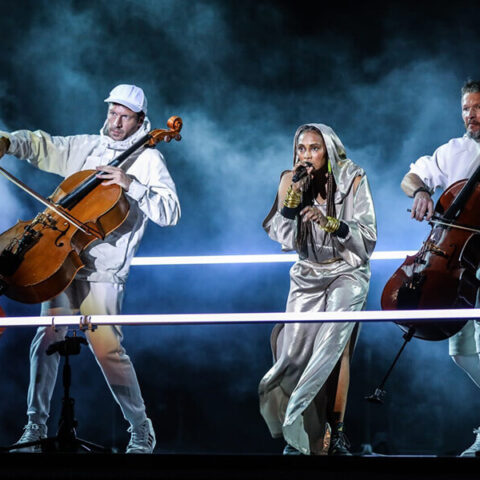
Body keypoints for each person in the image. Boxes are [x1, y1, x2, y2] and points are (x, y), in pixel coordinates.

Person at [0, 84, 180, 453]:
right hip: (60, 260)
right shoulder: (89, 147)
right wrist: (8, 142)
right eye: (112, 113)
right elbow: (44, 145)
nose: (115, 122)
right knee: (46, 339)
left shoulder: (148, 160)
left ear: (140, 121)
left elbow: (170, 212)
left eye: (124, 116)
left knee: (107, 349)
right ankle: (35, 427)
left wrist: (131, 184)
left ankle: (141, 429)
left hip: (103, 273)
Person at [258, 123, 377, 455]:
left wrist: (331, 223)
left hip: (347, 270)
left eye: (314, 148)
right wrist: (294, 192)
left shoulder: (352, 176)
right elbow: (281, 230)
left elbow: (367, 235)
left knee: (334, 348)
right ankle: (302, 434)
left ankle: (335, 434)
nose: (306, 155)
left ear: (329, 149)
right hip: (308, 273)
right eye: (301, 148)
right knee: (292, 352)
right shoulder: (291, 178)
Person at [401, 79, 480, 457]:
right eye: (467, 108)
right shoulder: (453, 151)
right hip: (460, 262)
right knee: (461, 353)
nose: (471, 115)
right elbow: (411, 176)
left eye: (478, 107)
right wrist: (421, 192)